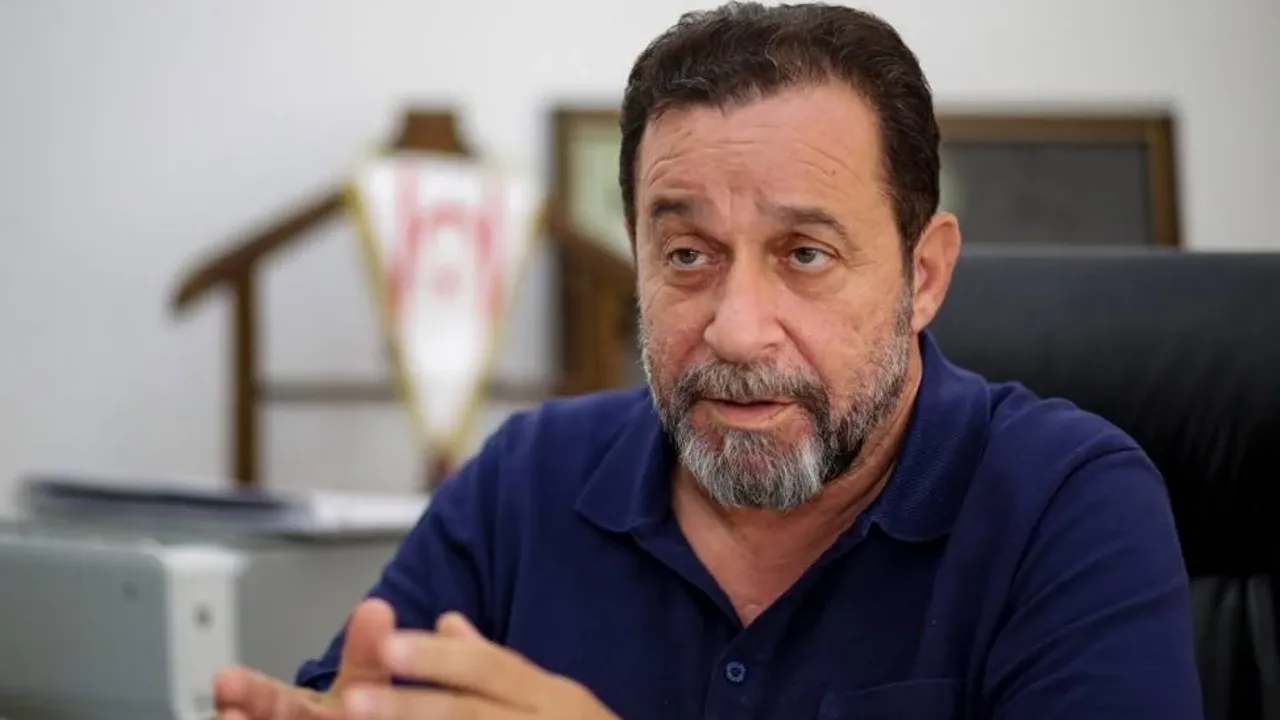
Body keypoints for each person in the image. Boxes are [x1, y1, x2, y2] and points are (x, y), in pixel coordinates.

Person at [213, 3, 1203, 718]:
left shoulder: (1066, 501)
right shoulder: (524, 481)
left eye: (804, 255)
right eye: (687, 255)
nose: (734, 330)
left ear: (925, 273)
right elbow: (360, 694)